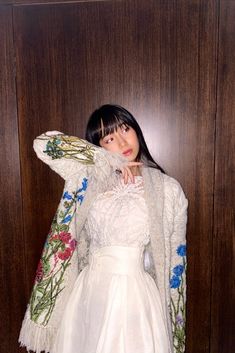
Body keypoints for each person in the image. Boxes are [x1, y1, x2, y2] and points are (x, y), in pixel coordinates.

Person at [19, 104, 188, 353]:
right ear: (100, 146)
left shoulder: (168, 189)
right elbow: (43, 144)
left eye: (125, 129)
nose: (122, 142)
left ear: (136, 130)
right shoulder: (87, 177)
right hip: (87, 294)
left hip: (136, 300)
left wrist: (176, 337)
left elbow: (177, 263)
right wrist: (104, 160)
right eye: (109, 138)